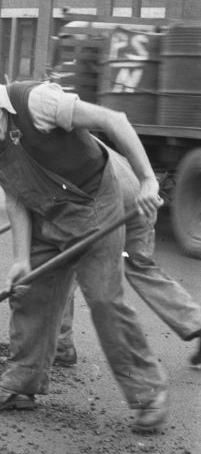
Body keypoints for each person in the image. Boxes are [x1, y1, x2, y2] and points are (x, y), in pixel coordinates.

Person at [0, 69, 169, 433]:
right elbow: (15, 195)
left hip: (92, 206)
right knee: (29, 292)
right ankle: (20, 387)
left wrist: (148, 179)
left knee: (104, 300)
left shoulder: (38, 101)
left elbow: (113, 120)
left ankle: (149, 397)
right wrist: (21, 260)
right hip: (47, 211)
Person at [54, 146, 201, 369]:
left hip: (106, 201)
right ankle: (195, 322)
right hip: (138, 198)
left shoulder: (40, 143)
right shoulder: (77, 132)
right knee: (141, 266)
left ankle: (61, 345)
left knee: (61, 266)